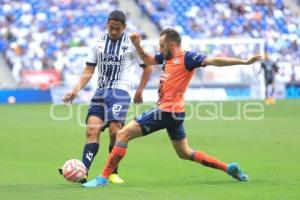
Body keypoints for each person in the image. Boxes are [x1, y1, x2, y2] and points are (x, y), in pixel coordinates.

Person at [82, 28, 263, 188]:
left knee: (122, 134)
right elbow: (147, 59)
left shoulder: (188, 58)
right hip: (175, 114)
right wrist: (137, 45)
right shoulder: (166, 57)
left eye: (161, 45)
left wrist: (244, 62)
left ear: (172, 44)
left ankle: (103, 178)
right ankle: (229, 168)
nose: (159, 49)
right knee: (185, 153)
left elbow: (215, 60)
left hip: (167, 110)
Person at [59, 10, 152, 184]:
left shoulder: (132, 44)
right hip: (100, 92)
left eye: (117, 28)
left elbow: (147, 67)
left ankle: (112, 172)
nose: (114, 31)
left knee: (115, 130)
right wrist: (75, 90)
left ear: (124, 27)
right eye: (111, 28)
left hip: (120, 92)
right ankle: (83, 172)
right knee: (92, 130)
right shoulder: (97, 43)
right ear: (107, 25)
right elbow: (89, 69)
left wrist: (140, 90)